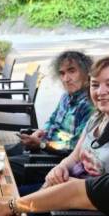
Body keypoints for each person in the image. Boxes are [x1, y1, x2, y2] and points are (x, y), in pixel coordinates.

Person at [22, 56, 109, 216]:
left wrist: (74, 186)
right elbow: (74, 156)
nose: (101, 92)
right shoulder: (97, 117)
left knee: (22, 215)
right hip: (69, 195)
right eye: (95, 85)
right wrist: (60, 168)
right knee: (15, 196)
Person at [6, 51, 94, 186]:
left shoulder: (89, 105)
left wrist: (42, 144)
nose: (66, 78)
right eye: (62, 73)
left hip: (53, 162)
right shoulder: (66, 96)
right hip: (42, 147)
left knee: (4, 166)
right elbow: (52, 120)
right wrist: (40, 132)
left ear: (86, 72)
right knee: (0, 153)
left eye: (72, 71)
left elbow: (73, 147)